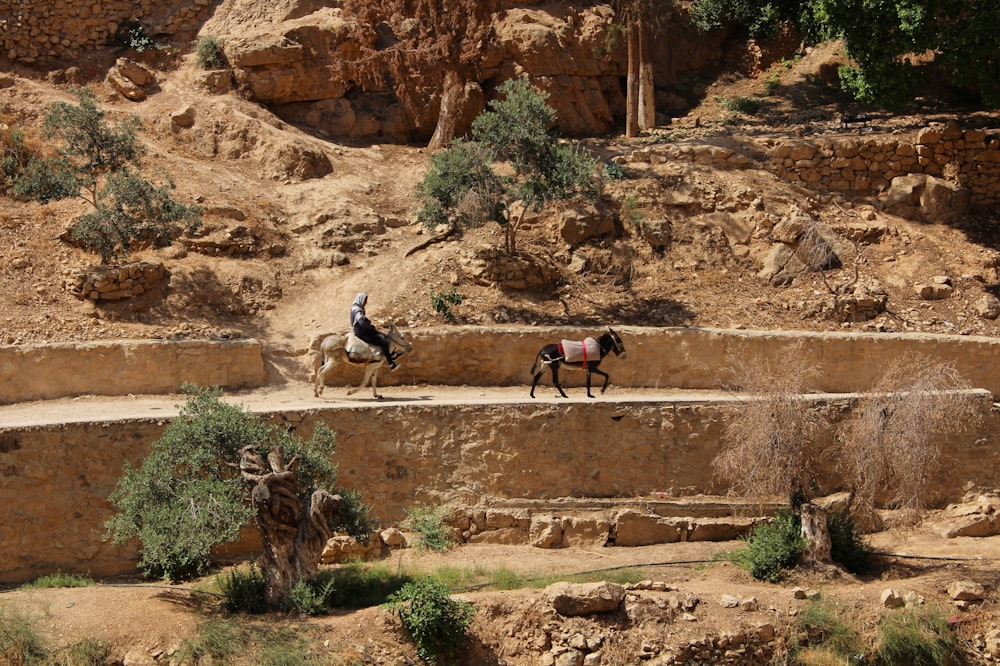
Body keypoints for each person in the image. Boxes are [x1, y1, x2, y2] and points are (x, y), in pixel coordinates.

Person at [349, 292, 400, 370]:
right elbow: (362, 323)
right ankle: (391, 363)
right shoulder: (358, 310)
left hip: (361, 330)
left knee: (383, 335)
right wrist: (372, 328)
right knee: (382, 341)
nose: (366, 302)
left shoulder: (354, 308)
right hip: (362, 332)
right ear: (361, 300)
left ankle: (392, 354)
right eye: (365, 300)